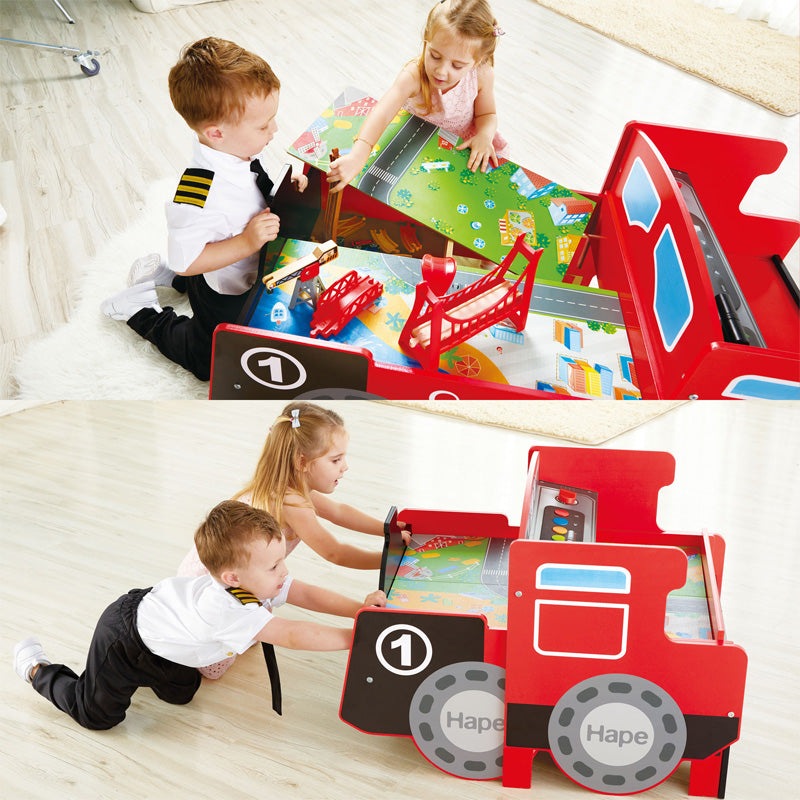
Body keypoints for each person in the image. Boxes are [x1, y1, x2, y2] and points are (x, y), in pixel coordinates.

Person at [12, 501, 385, 731]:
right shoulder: (226, 609)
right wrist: (357, 637)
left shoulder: (247, 583)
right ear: (233, 578)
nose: (283, 571)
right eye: (274, 566)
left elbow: (305, 593)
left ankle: (135, 675)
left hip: (162, 631)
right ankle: (36, 669)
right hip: (124, 638)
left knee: (183, 692)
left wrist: (360, 610)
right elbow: (291, 634)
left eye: (281, 560)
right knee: (97, 716)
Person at [100, 37, 307, 381]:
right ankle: (137, 307)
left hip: (238, 264)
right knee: (209, 362)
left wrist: (285, 194)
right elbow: (187, 259)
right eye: (263, 125)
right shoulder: (199, 194)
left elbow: (253, 195)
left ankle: (172, 279)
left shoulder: (237, 151)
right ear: (216, 133)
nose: (274, 129)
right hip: (226, 287)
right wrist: (246, 242)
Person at [176, 402, 406, 678]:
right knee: (218, 661)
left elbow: (340, 512)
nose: (345, 467)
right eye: (335, 460)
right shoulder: (289, 502)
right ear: (302, 462)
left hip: (236, 573)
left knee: (283, 594)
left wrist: (389, 530)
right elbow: (335, 553)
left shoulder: (291, 487)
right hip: (219, 585)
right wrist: (393, 558)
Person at [327, 0, 508, 193]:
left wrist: (484, 135)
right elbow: (382, 112)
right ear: (426, 41)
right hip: (416, 145)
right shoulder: (413, 75)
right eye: (435, 56)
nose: (441, 71)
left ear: (477, 61)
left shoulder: (482, 73)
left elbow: (487, 114)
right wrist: (359, 154)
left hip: (459, 149)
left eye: (457, 65)